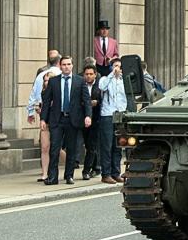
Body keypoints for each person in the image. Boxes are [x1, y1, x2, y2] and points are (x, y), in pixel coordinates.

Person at [40, 56, 92, 185]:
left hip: (73, 119)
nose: (66, 67)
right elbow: (46, 102)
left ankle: (69, 175)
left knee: (72, 149)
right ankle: (52, 177)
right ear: (60, 66)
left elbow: (86, 101)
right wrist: (43, 119)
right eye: (64, 64)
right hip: (57, 119)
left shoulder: (80, 81)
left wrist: (88, 116)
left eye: (69, 64)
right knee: (54, 148)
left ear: (72, 66)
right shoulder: (53, 82)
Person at [98, 58, 127, 184]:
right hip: (108, 115)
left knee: (118, 145)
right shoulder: (105, 79)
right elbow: (101, 87)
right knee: (107, 145)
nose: (117, 69)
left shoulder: (123, 81)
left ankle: (116, 172)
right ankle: (106, 173)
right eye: (115, 66)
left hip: (120, 114)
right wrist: (111, 75)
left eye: (119, 67)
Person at [81, 65, 102, 180]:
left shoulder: (99, 86)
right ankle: (96, 167)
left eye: (91, 74)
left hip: (96, 119)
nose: (88, 76)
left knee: (92, 146)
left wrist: (97, 102)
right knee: (88, 144)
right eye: (86, 74)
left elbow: (103, 99)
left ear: (95, 74)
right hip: (83, 119)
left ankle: (86, 170)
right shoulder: (81, 85)